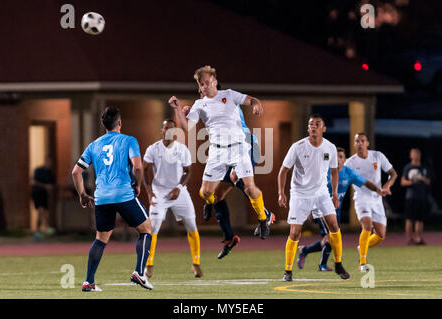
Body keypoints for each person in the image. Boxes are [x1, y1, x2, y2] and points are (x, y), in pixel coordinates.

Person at [168, 65, 271, 245]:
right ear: (199, 87)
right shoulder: (200, 104)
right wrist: (177, 109)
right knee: (205, 192)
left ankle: (263, 220)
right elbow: (187, 128)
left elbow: (251, 100)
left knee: (249, 187)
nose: (205, 86)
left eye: (207, 82)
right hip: (217, 151)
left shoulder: (229, 95)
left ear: (215, 81)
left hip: (239, 147)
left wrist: (256, 104)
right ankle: (209, 203)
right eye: (202, 84)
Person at [72, 106, 153, 292]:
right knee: (146, 229)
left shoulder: (94, 145)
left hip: (102, 197)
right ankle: (139, 273)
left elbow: (76, 172)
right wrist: (138, 184)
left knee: (101, 239)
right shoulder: (129, 140)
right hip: (123, 193)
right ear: (119, 122)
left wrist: (82, 195)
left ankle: (88, 282)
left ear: (104, 125)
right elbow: (138, 167)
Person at [278, 114, 350, 281]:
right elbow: (283, 171)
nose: (313, 127)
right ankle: (287, 271)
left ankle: (338, 264)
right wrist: (281, 193)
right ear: (307, 128)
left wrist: (334, 194)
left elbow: (333, 172)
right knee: (295, 233)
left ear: (323, 129)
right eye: (311, 124)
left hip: (321, 192)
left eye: (317, 124)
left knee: (334, 226)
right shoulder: (298, 146)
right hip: (300, 194)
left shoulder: (330, 147)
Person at [297, 147, 387, 271]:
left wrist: (378, 190)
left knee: (332, 238)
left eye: (341, 157)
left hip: (335, 212)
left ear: (345, 160)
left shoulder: (348, 172)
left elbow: (366, 182)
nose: (338, 159)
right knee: (330, 237)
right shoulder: (324, 172)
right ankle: (322, 265)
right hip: (320, 209)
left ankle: (305, 250)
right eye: (336, 157)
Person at [142, 119, 203, 278]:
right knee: (153, 227)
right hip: (159, 192)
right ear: (162, 130)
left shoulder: (182, 149)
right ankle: (149, 265)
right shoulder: (153, 149)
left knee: (191, 224)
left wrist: (179, 187)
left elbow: (188, 171)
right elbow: (144, 170)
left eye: (172, 129)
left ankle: (196, 264)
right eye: (166, 128)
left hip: (179, 191)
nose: (169, 131)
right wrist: (149, 192)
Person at [345, 132, 397, 271]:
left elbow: (393, 174)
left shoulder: (377, 156)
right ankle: (362, 263)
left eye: (362, 141)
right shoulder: (350, 163)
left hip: (377, 199)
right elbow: (342, 180)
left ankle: (361, 247)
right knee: (367, 226)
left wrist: (387, 185)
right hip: (361, 198)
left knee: (380, 235)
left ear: (367, 143)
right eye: (357, 141)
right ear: (354, 144)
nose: (360, 143)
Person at [400, 148, 431, 245]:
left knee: (419, 219)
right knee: (409, 218)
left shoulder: (424, 168)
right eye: (413, 153)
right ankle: (409, 239)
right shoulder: (408, 167)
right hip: (411, 197)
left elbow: (428, 181)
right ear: (410, 155)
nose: (415, 155)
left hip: (421, 197)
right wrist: (412, 181)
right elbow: (402, 182)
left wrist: (423, 179)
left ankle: (419, 239)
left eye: (417, 153)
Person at [30, 156, 56, 241]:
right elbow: (33, 182)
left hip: (45, 195)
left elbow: (53, 185)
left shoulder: (51, 173)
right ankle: (46, 227)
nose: (49, 164)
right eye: (48, 162)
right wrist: (45, 186)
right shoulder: (38, 170)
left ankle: (37, 232)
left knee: (42, 213)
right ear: (45, 162)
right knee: (41, 210)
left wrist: (50, 188)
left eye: (50, 163)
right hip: (37, 193)